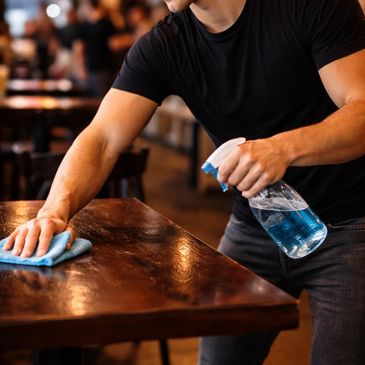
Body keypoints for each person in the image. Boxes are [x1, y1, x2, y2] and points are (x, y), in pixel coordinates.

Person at [3, 0, 365, 364]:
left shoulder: (312, 7)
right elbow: (102, 139)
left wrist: (283, 149)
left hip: (349, 225)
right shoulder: (166, 43)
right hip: (257, 225)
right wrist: (53, 211)